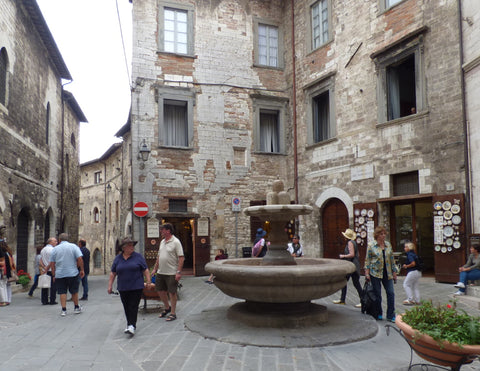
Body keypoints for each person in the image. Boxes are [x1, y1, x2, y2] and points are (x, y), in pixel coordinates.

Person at [108, 237, 153, 335]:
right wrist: (110, 285)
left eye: (132, 245)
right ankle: (130, 325)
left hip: (136, 286)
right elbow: (113, 273)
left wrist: (148, 281)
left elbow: (145, 269)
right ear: (123, 248)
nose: (132, 247)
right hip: (123, 287)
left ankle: (132, 325)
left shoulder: (138, 257)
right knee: (126, 306)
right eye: (129, 245)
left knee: (133, 305)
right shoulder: (118, 258)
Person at [152, 223, 185, 322]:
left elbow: (181, 258)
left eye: (162, 230)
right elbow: (159, 256)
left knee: (172, 292)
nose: (161, 231)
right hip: (161, 271)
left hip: (171, 272)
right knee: (160, 290)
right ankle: (167, 307)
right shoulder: (162, 242)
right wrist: (155, 269)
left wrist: (178, 272)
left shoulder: (176, 242)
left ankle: (173, 313)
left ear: (168, 231)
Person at [364, 226, 398, 322]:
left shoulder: (388, 245)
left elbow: (392, 259)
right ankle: (378, 313)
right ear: (377, 235)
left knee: (391, 293)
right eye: (381, 234)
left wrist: (394, 272)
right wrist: (367, 274)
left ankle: (391, 315)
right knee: (377, 294)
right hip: (375, 273)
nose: (383, 236)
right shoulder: (371, 245)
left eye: (384, 234)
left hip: (387, 273)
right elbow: (368, 260)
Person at [46, 233, 84, 316]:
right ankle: (76, 307)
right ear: (68, 239)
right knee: (74, 291)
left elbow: (52, 263)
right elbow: (79, 258)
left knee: (62, 291)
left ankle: (64, 309)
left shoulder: (55, 249)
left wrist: (53, 274)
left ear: (59, 240)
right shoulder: (74, 246)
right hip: (72, 272)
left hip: (60, 273)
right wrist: (81, 269)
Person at [333, 229, 363, 308]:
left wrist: (343, 256)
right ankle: (342, 299)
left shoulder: (350, 243)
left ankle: (362, 300)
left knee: (354, 283)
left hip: (351, 266)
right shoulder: (354, 242)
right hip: (354, 265)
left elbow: (352, 254)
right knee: (347, 282)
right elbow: (358, 254)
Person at [40, 237, 58, 305]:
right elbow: (52, 261)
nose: (56, 242)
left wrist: (44, 267)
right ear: (51, 242)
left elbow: (41, 260)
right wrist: (47, 268)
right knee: (53, 286)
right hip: (51, 269)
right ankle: (52, 300)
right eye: (55, 241)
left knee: (45, 285)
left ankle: (44, 300)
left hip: (45, 270)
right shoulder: (52, 250)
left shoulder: (43, 249)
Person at [0, 241, 15, 305]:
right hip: (8, 271)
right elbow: (12, 263)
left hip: (5, 271)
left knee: (3, 286)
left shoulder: (4, 254)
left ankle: (4, 300)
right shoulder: (9, 253)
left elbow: (4, 264)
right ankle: (8, 299)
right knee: (7, 286)